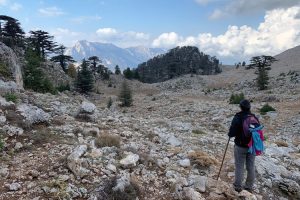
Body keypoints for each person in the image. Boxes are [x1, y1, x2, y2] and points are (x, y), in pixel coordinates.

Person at [228, 99, 256, 193]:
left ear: (240, 107)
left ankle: (238, 186)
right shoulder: (253, 117)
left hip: (240, 146)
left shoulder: (238, 117)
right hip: (252, 146)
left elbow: (232, 132)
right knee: (251, 166)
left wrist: (230, 134)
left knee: (239, 166)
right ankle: (249, 186)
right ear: (249, 107)